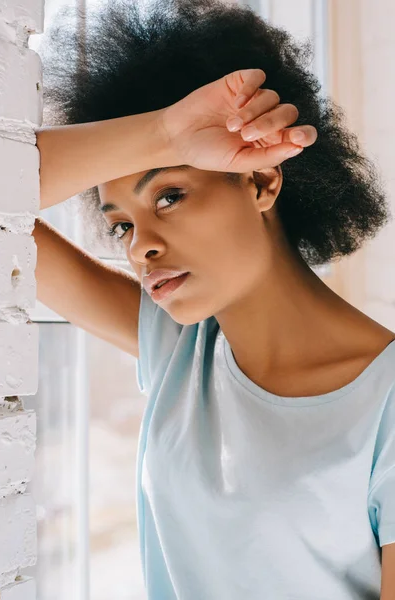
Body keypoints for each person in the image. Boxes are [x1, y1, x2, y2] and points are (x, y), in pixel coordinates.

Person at [34, 0, 395, 597]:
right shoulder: (182, 351)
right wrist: (163, 134)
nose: (139, 247)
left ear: (261, 179)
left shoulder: (384, 406)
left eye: (170, 196)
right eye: (121, 225)